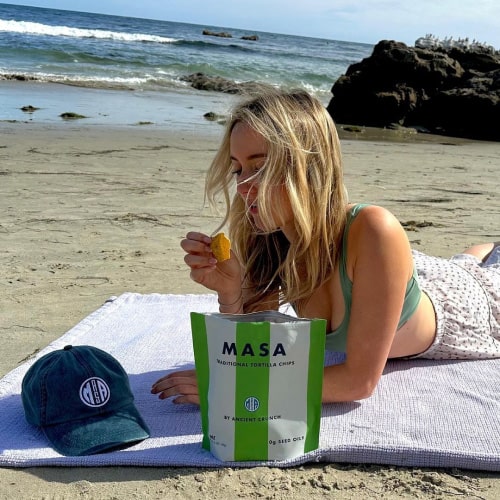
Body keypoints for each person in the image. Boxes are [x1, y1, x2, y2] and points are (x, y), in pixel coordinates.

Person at [151, 89, 500, 405]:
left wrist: (236, 387)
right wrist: (231, 293)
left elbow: (358, 382)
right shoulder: (268, 237)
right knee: (466, 260)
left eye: (259, 168)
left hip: (469, 304)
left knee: (478, 270)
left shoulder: (375, 228)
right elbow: (254, 350)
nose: (243, 187)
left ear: (308, 167)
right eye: (237, 170)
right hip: (402, 273)